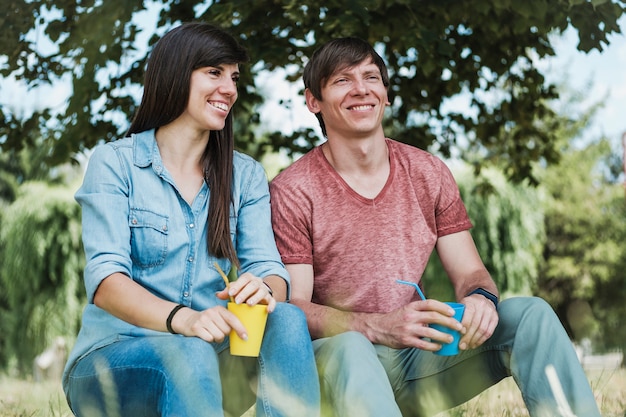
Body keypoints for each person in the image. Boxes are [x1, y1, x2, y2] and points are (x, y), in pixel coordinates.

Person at [269, 37, 600, 417]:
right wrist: (377, 327)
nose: (361, 88)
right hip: (335, 366)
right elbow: (292, 310)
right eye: (342, 80)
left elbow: (471, 272)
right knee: (350, 347)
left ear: (386, 94)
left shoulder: (427, 172)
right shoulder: (292, 190)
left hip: (417, 360)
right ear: (314, 101)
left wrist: (480, 299)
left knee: (530, 315)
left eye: (371, 77)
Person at [62, 22, 320, 417]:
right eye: (214, 72)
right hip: (112, 364)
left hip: (210, 361)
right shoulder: (115, 163)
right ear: (176, 74)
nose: (229, 88)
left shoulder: (245, 175)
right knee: (189, 350)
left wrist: (264, 289)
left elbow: (269, 268)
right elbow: (105, 281)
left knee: (285, 317)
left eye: (234, 77)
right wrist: (183, 320)